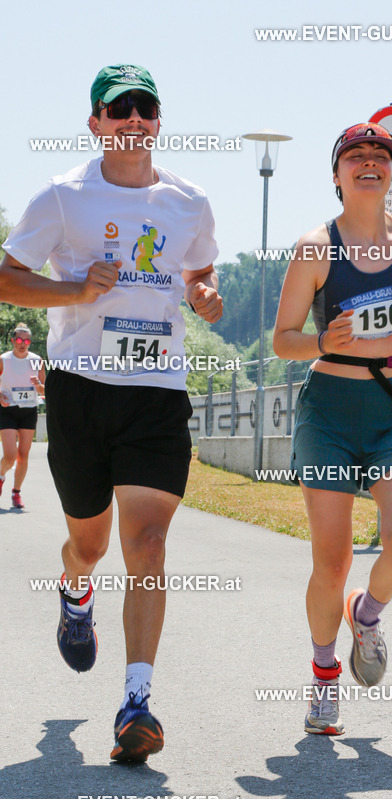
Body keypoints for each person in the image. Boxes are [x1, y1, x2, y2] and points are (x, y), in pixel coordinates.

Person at [0, 64, 222, 762]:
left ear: (158, 122)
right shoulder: (63, 198)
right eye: (117, 108)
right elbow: (7, 277)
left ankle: (136, 703)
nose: (133, 119)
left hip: (157, 393)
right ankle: (74, 591)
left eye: (145, 108)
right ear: (94, 122)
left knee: (148, 544)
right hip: (79, 390)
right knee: (89, 546)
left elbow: (198, 273)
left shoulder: (190, 201)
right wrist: (70, 289)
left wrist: (206, 295)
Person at [273, 122, 392, 736]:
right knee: (333, 557)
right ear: (339, 175)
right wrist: (324, 339)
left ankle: (365, 616)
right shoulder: (316, 247)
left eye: (381, 156)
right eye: (356, 156)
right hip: (330, 413)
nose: (370, 163)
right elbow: (282, 340)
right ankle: (324, 676)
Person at [0, 323, 45, 509]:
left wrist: (37, 385)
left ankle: (16, 493)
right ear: (12, 341)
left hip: (28, 410)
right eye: (19, 340)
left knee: (23, 456)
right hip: (7, 408)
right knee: (10, 456)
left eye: (26, 340)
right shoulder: (4, 359)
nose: (23, 343)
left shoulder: (36, 360)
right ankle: (1, 476)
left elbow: (44, 389)